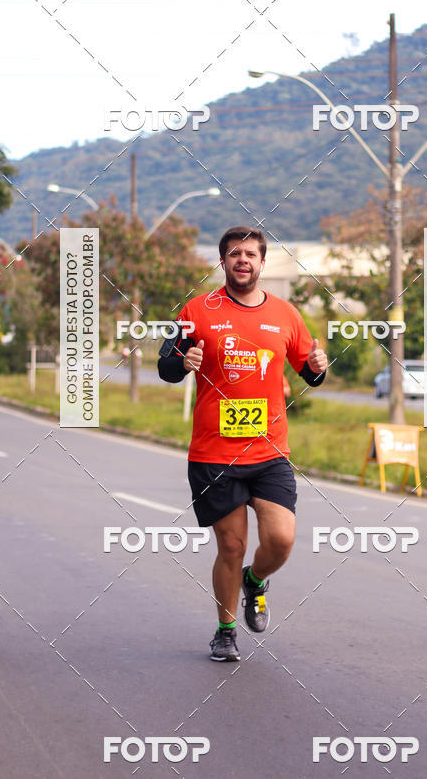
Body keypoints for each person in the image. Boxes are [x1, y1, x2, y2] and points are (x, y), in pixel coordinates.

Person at [158, 227, 328, 662]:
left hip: (269, 452)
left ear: (262, 263)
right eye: (234, 254)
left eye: (251, 254)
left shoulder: (286, 314)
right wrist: (183, 361)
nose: (242, 260)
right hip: (215, 455)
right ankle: (225, 630)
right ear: (223, 262)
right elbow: (165, 365)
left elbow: (310, 374)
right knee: (231, 547)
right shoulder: (197, 310)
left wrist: (318, 365)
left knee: (281, 540)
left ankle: (255, 581)